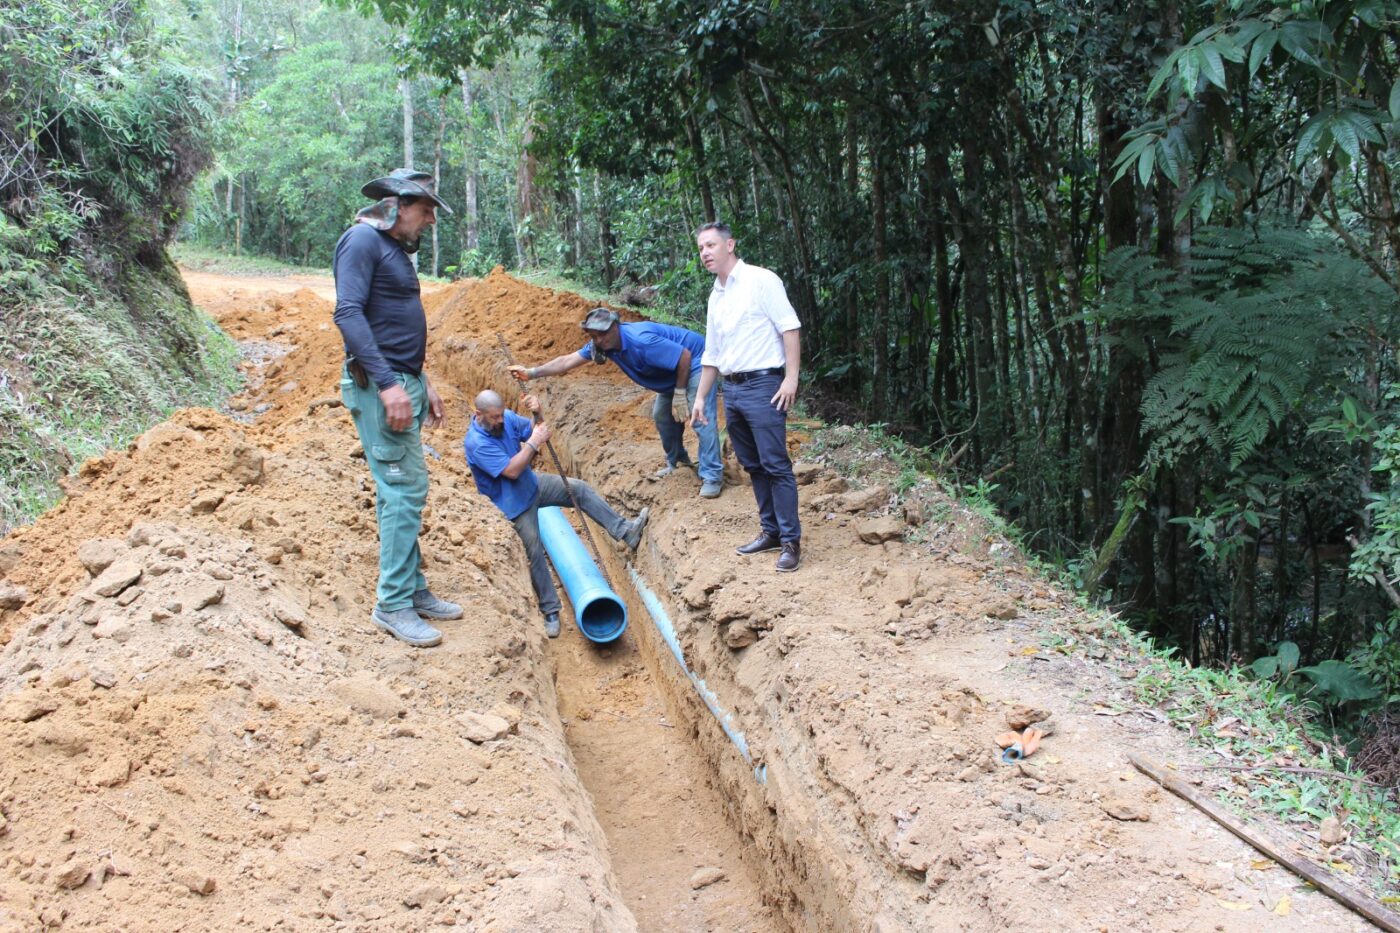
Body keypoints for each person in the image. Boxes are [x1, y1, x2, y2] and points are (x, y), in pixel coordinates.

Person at [332, 167, 462, 648]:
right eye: (426, 210)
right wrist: (389, 385)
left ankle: (412, 589)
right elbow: (348, 313)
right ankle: (392, 603)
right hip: (380, 385)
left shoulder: (392, 250)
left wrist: (419, 380)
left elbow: (392, 323)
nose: (430, 219)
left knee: (402, 490)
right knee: (404, 490)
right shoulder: (361, 243)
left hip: (400, 379)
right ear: (398, 205)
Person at [464, 390, 650, 638]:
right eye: (494, 417)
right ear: (479, 415)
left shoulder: (505, 417)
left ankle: (625, 531)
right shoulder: (476, 443)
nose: (500, 421)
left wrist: (537, 413)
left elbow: (532, 429)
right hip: (511, 505)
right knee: (533, 553)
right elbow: (511, 471)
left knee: (579, 490)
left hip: (532, 486)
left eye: (501, 415)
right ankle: (550, 610)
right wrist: (533, 442)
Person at [508, 309, 723, 498]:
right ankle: (677, 461)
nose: (599, 340)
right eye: (594, 336)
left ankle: (712, 476)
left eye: (603, 334)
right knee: (662, 415)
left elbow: (683, 356)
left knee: (700, 417)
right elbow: (566, 361)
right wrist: (531, 373)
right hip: (671, 370)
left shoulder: (641, 342)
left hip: (696, 363)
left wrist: (679, 392)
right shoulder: (601, 346)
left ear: (615, 326)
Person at [690, 221, 803, 572]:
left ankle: (790, 542)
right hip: (733, 390)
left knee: (775, 464)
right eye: (701, 249)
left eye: (710, 245)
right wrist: (700, 397)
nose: (705, 253)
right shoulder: (716, 295)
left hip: (764, 386)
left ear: (729, 245)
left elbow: (790, 327)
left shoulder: (761, 280)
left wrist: (791, 378)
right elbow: (712, 352)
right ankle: (769, 532)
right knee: (752, 464)